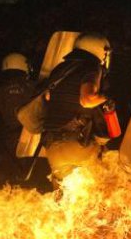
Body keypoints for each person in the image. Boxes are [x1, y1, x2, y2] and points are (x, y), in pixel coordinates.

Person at [43, 33, 112, 184]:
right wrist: (109, 98)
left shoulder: (59, 69)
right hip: (77, 145)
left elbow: (48, 97)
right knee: (100, 187)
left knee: (65, 197)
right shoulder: (92, 68)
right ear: (101, 51)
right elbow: (87, 100)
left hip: (52, 147)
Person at [0, 53, 34, 184]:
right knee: (29, 170)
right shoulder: (33, 87)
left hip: (10, 137)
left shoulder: (0, 90)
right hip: (32, 137)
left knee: (11, 171)